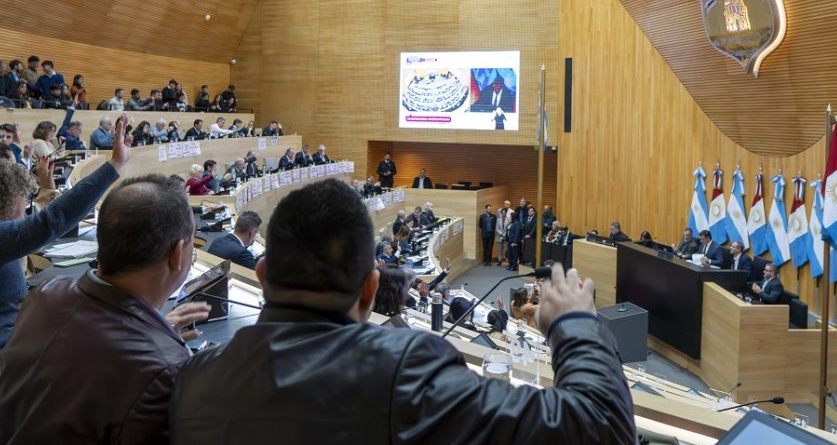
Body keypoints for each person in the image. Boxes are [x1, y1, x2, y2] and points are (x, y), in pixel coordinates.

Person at [170, 179, 634, 444]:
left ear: (263, 274)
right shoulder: (407, 372)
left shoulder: (192, 379)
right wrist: (574, 323)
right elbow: (600, 428)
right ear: (370, 288)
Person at [0, 173, 211, 444]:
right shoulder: (163, 370)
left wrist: (157, 332)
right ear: (177, 254)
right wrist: (164, 349)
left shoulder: (45, 294)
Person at [0, 117, 131, 371]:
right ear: (1, 200)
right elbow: (51, 221)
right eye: (22, 198)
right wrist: (114, 165)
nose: (24, 206)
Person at [496, 201, 512, 266]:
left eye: (504, 212)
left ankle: (507, 260)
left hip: (506, 236)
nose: (503, 213)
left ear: (506, 213)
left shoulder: (509, 220)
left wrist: (504, 233)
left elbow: (508, 228)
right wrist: (501, 233)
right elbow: (497, 228)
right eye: (502, 212)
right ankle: (500, 260)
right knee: (500, 249)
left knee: (507, 249)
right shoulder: (498, 219)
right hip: (499, 236)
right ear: (501, 213)